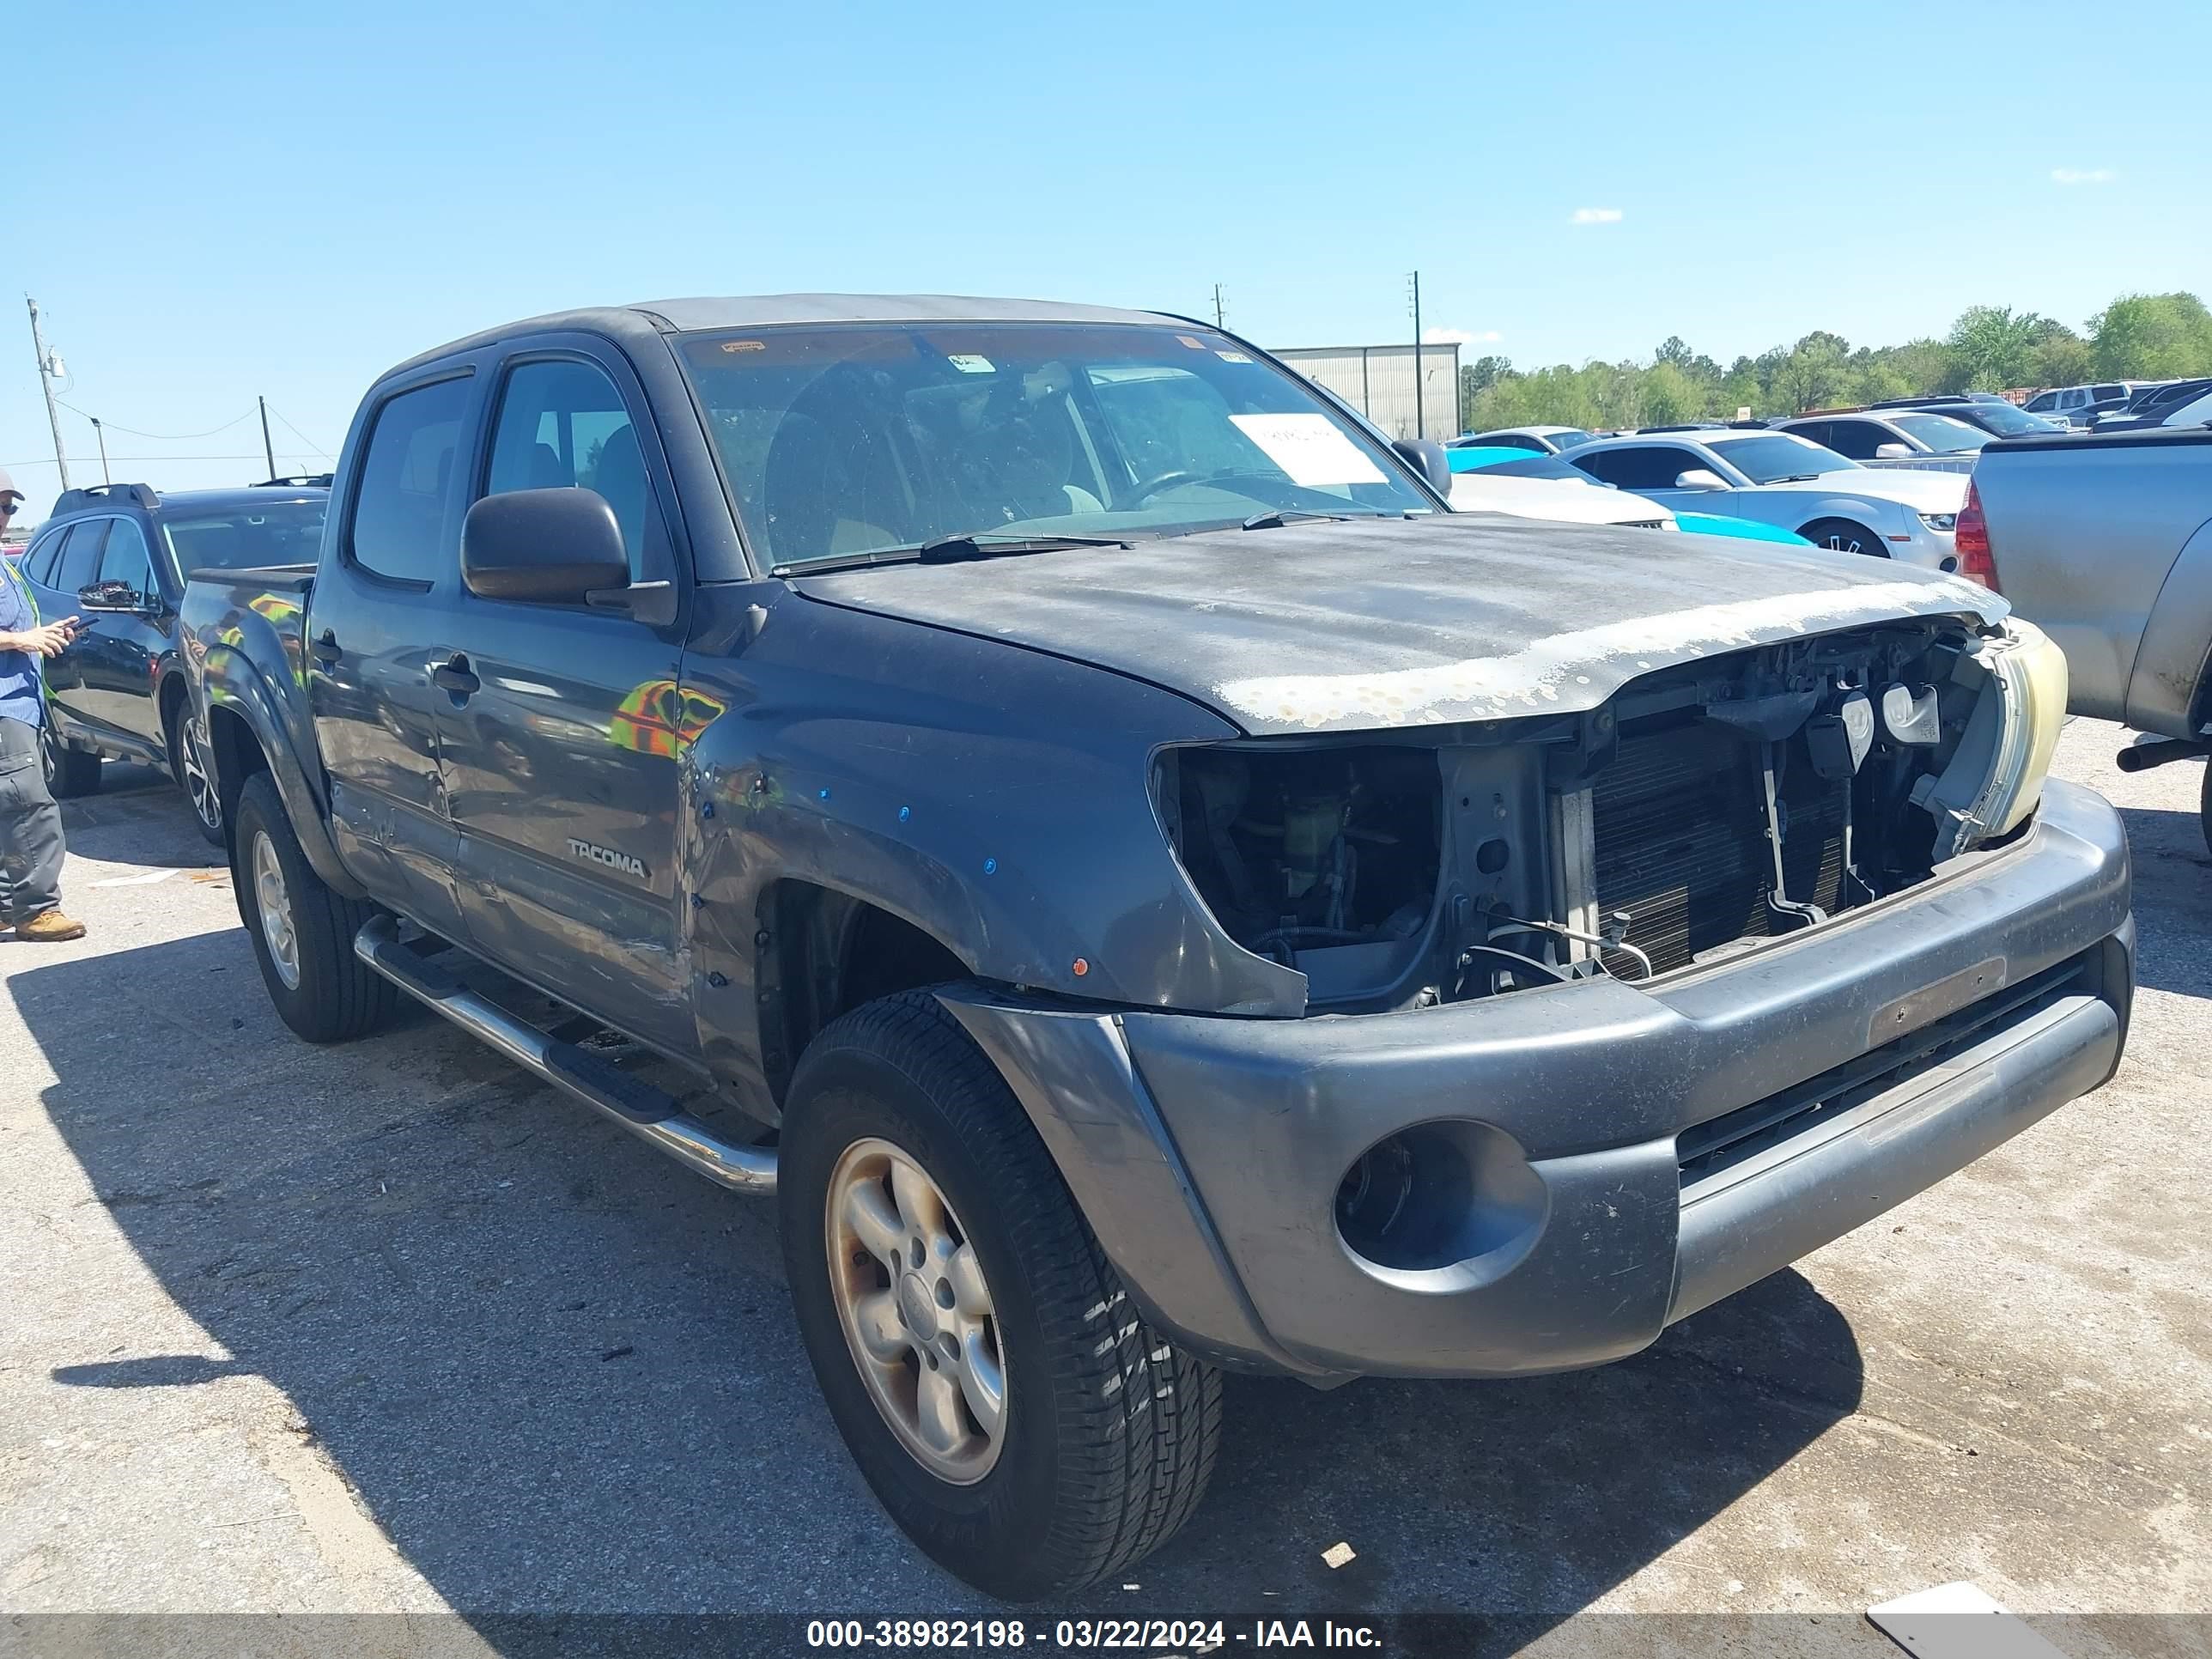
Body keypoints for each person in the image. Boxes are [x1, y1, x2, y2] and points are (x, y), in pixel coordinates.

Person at [0, 465, 88, 942]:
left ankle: (8, 905)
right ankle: (37, 910)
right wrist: (21, 639)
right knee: (26, 804)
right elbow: (15, 636)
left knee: (7, 805)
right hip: (3, 707)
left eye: (10, 507)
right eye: (0, 506)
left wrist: (47, 636)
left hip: (19, 702)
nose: (5, 515)